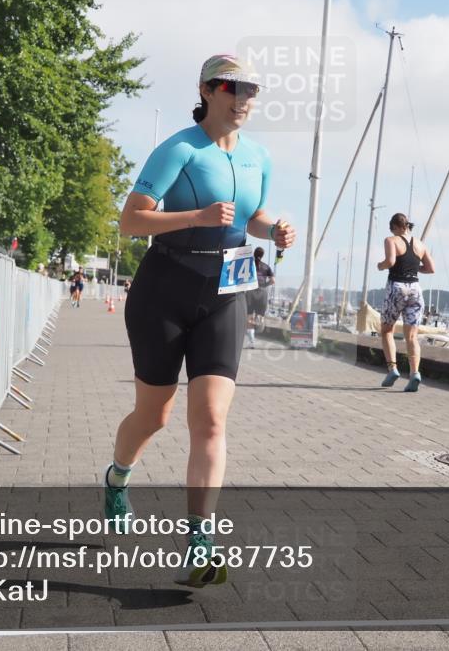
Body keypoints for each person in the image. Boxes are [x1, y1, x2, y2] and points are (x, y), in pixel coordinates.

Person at [110, 54, 296, 587]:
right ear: (207, 90)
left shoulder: (260, 156)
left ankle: (199, 539)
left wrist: (274, 230)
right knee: (154, 416)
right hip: (164, 288)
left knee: (211, 419)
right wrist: (192, 216)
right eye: (232, 88)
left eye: (251, 90)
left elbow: (251, 217)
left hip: (226, 291)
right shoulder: (180, 148)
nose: (243, 99)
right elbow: (130, 220)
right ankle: (118, 479)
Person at [376, 213, 435, 391]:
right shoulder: (420, 244)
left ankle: (392, 369)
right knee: (411, 336)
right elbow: (430, 269)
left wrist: (381, 265)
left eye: (391, 228)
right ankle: (415, 373)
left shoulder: (391, 240)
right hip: (416, 289)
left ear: (395, 226)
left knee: (387, 329)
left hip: (397, 286)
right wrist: (414, 268)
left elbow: (391, 261)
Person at [245, 247, 274, 348]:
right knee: (259, 318)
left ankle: (252, 341)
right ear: (262, 255)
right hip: (262, 293)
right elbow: (273, 281)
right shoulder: (266, 267)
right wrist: (264, 285)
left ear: (254, 254)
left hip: (250, 292)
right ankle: (255, 331)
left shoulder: (248, 265)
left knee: (249, 317)